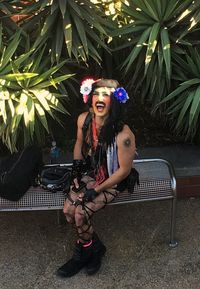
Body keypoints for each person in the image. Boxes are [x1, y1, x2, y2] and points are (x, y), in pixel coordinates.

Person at [57, 78, 138, 278]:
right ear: (90, 98)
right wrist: (76, 172)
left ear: (115, 102)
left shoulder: (123, 135)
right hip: (93, 171)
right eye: (96, 94)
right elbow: (79, 144)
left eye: (106, 96)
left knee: (80, 214)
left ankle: (81, 254)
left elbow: (124, 171)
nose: (100, 99)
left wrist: (96, 189)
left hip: (113, 178)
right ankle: (94, 248)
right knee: (68, 210)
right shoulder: (84, 120)